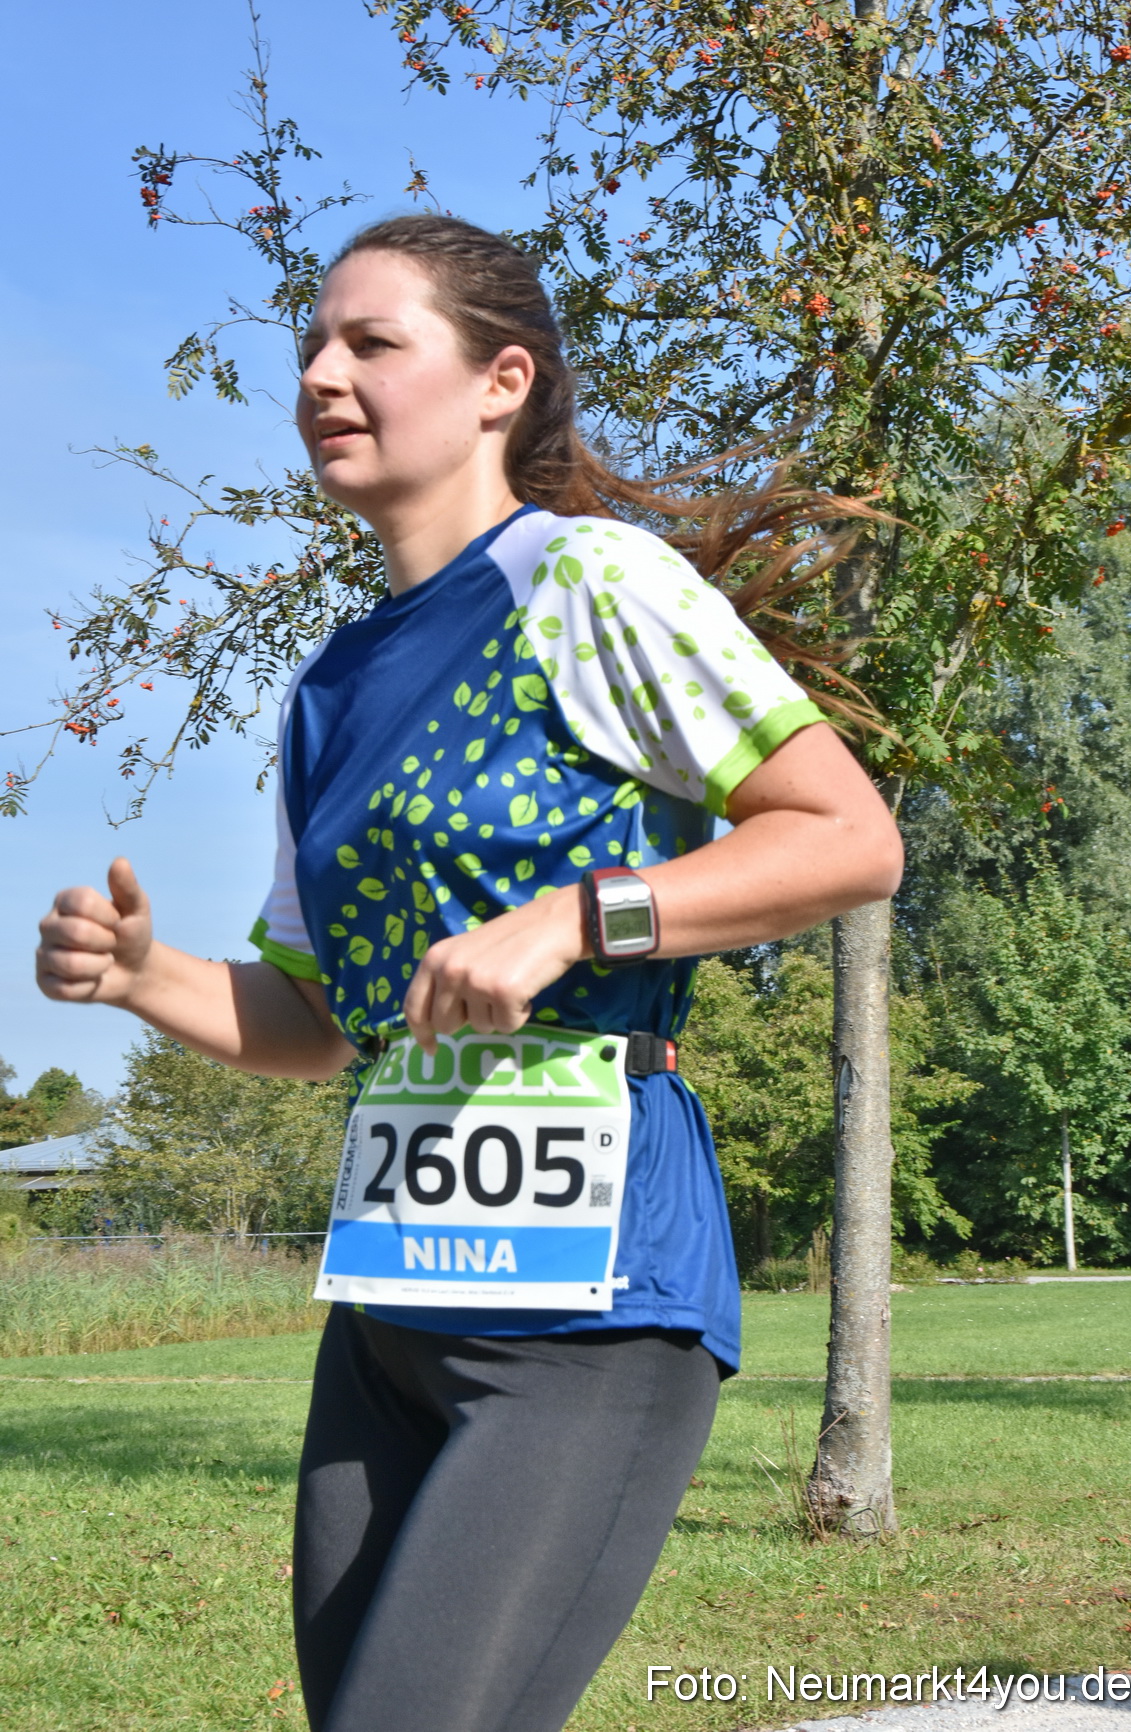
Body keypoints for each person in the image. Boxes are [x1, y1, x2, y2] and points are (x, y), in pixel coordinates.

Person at [37, 214, 903, 1732]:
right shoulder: (329, 687)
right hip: (389, 1312)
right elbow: (320, 1021)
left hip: (596, 1299)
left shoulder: (588, 580)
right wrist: (144, 973)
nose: (321, 376)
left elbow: (847, 840)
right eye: (312, 346)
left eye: (372, 343)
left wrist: (576, 919)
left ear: (503, 383)